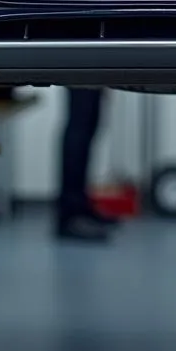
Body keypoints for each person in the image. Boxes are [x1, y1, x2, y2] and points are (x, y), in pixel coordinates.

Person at [55, 87, 119, 241]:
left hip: (92, 67)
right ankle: (71, 215)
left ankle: (81, 206)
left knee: (89, 121)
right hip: (79, 66)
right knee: (80, 124)